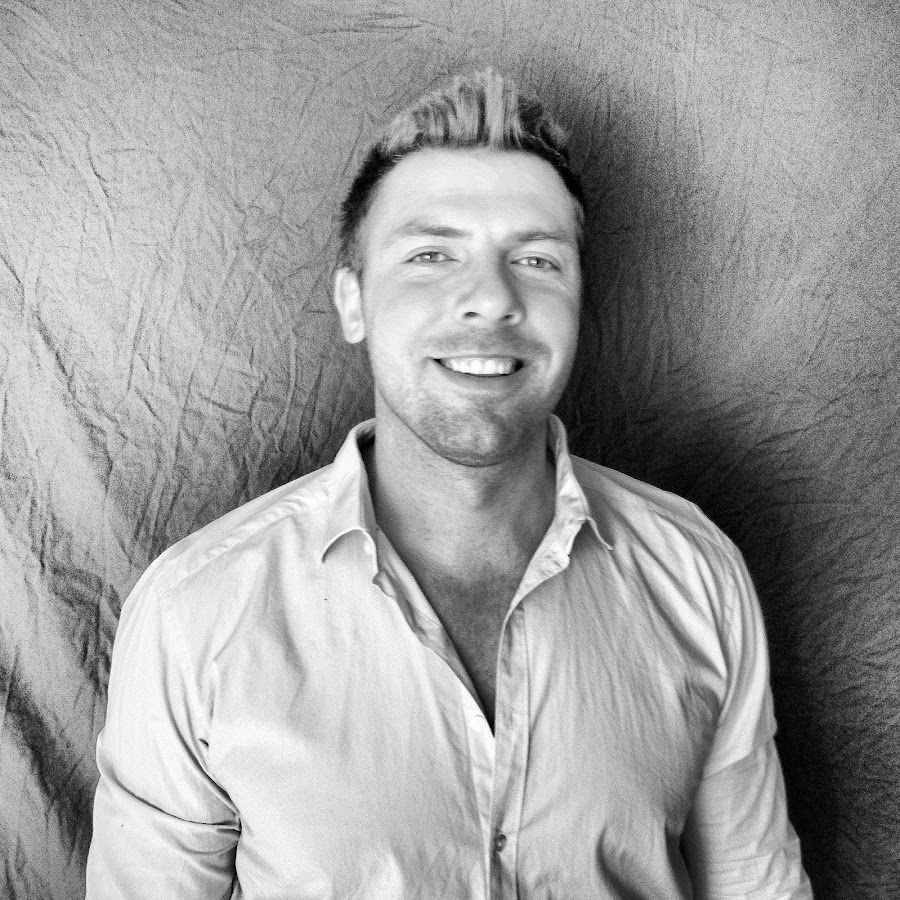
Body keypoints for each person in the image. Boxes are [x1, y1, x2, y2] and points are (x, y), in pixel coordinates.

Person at [86, 70, 813, 899]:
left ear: (579, 301)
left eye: (536, 260)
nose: (491, 300)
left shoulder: (697, 572)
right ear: (353, 302)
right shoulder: (193, 612)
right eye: (432, 255)